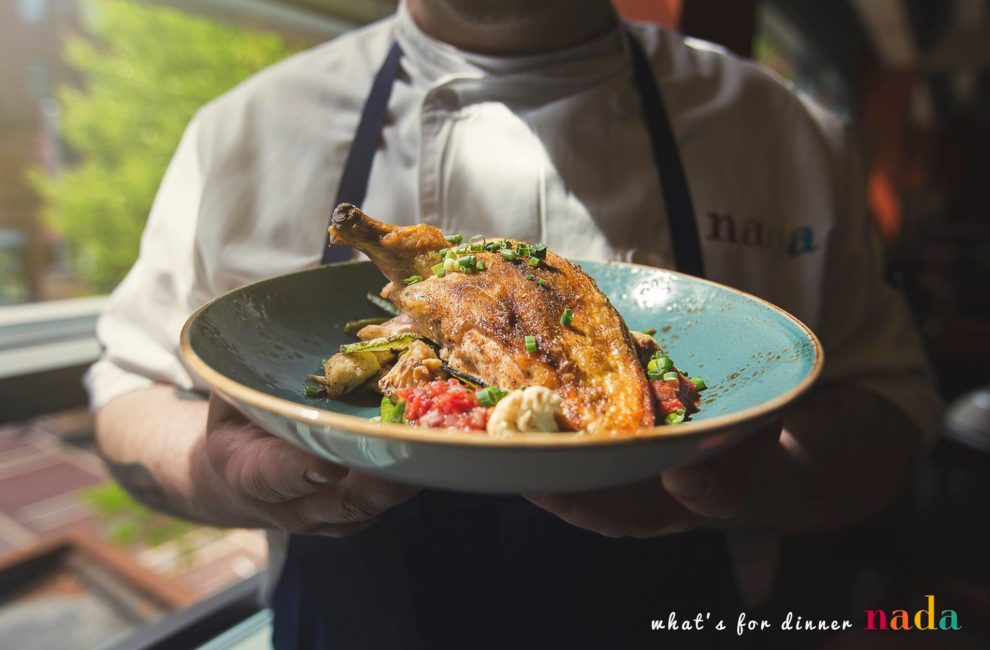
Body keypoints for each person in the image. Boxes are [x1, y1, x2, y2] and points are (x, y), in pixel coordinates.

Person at [90, 0, 940, 647]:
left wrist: (768, 481)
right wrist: (217, 470)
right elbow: (126, 394)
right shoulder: (239, 133)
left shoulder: (786, 134)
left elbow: (893, 413)